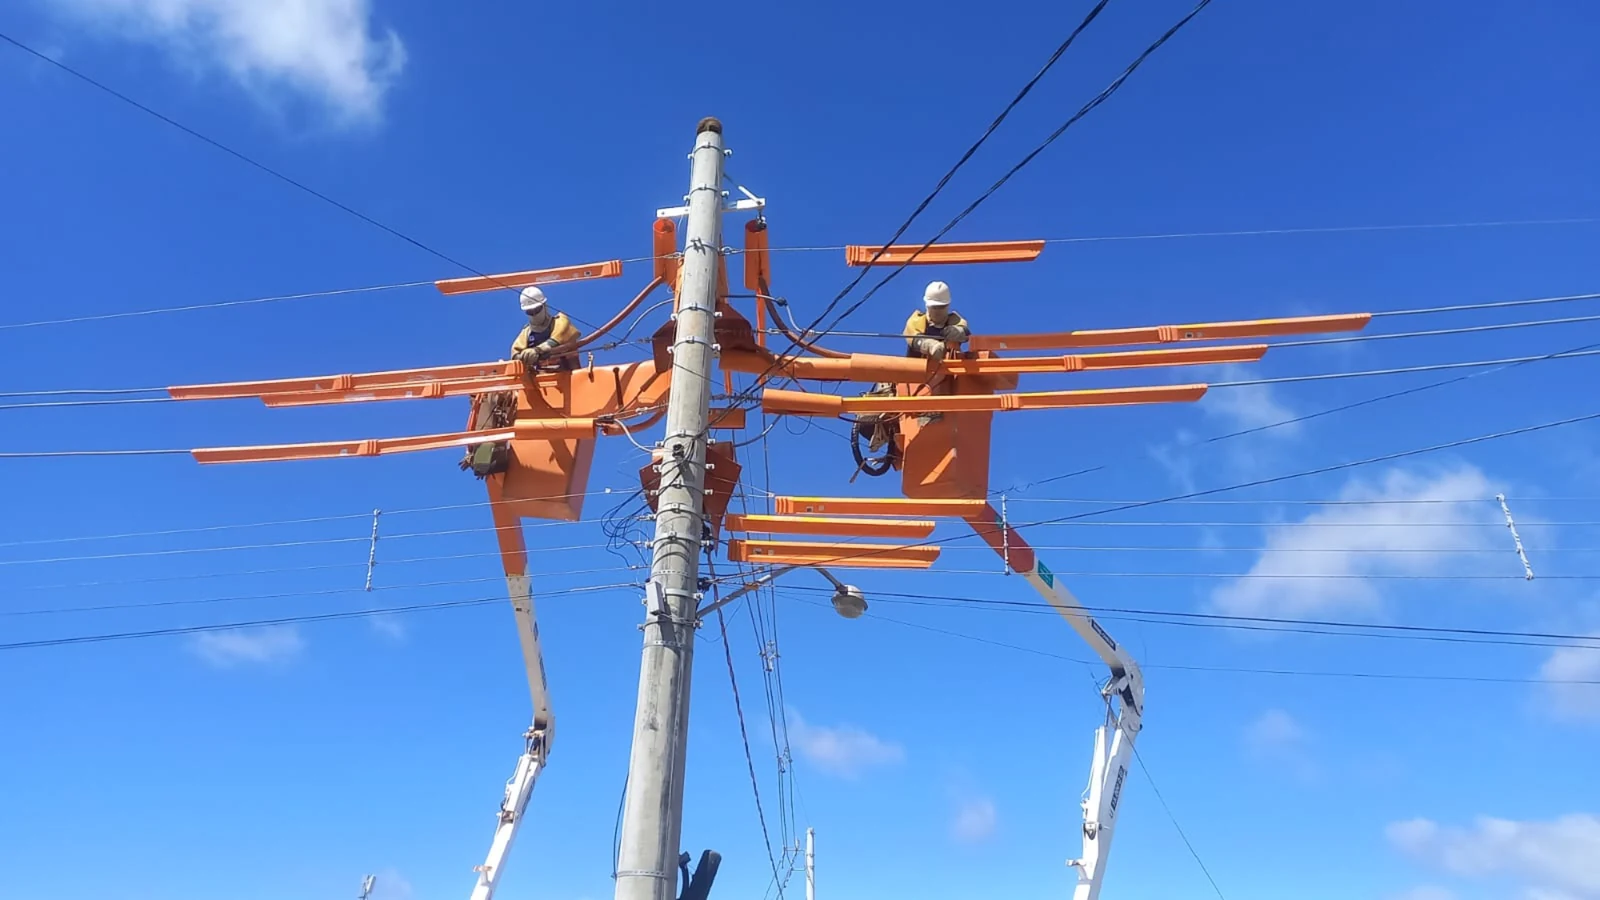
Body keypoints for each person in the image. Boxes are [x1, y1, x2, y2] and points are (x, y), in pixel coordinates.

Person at [901, 280, 971, 424]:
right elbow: (912, 338)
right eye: (934, 307)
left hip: (945, 379)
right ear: (927, 305)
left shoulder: (954, 320)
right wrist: (930, 345)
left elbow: (965, 332)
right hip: (917, 378)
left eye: (941, 307)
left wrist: (956, 332)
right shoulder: (916, 321)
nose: (938, 311)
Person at [511, 286, 582, 370]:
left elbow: (559, 337)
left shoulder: (560, 322)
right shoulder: (526, 333)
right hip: (539, 379)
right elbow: (515, 353)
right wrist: (524, 357)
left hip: (566, 376)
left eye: (537, 310)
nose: (534, 314)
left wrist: (537, 350)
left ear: (544, 306)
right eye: (530, 312)